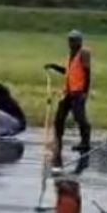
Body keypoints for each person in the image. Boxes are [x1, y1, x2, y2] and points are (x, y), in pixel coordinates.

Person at [45, 30, 92, 165]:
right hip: (68, 92)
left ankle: (85, 142)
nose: (71, 43)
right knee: (59, 117)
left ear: (80, 41)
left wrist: (85, 92)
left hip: (78, 92)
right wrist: (54, 67)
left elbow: (87, 72)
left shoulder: (83, 53)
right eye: (70, 40)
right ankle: (58, 139)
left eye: (74, 40)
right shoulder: (70, 56)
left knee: (80, 118)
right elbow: (68, 72)